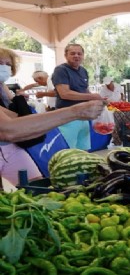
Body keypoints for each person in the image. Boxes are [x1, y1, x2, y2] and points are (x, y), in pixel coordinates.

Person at [0, 47, 106, 190]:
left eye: (8, 64)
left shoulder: (3, 88)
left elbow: (14, 118)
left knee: (37, 187)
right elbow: (8, 130)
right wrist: (75, 111)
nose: (4, 68)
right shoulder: (61, 71)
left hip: (10, 148)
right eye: (0, 63)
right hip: (8, 142)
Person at [52, 43, 105, 150]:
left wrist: (99, 99)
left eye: (79, 54)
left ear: (83, 56)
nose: (76, 56)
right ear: (66, 55)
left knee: (83, 149)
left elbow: (85, 90)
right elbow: (64, 93)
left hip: (84, 115)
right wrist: (91, 97)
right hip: (68, 116)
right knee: (68, 150)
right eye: (72, 53)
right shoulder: (61, 70)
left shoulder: (83, 71)